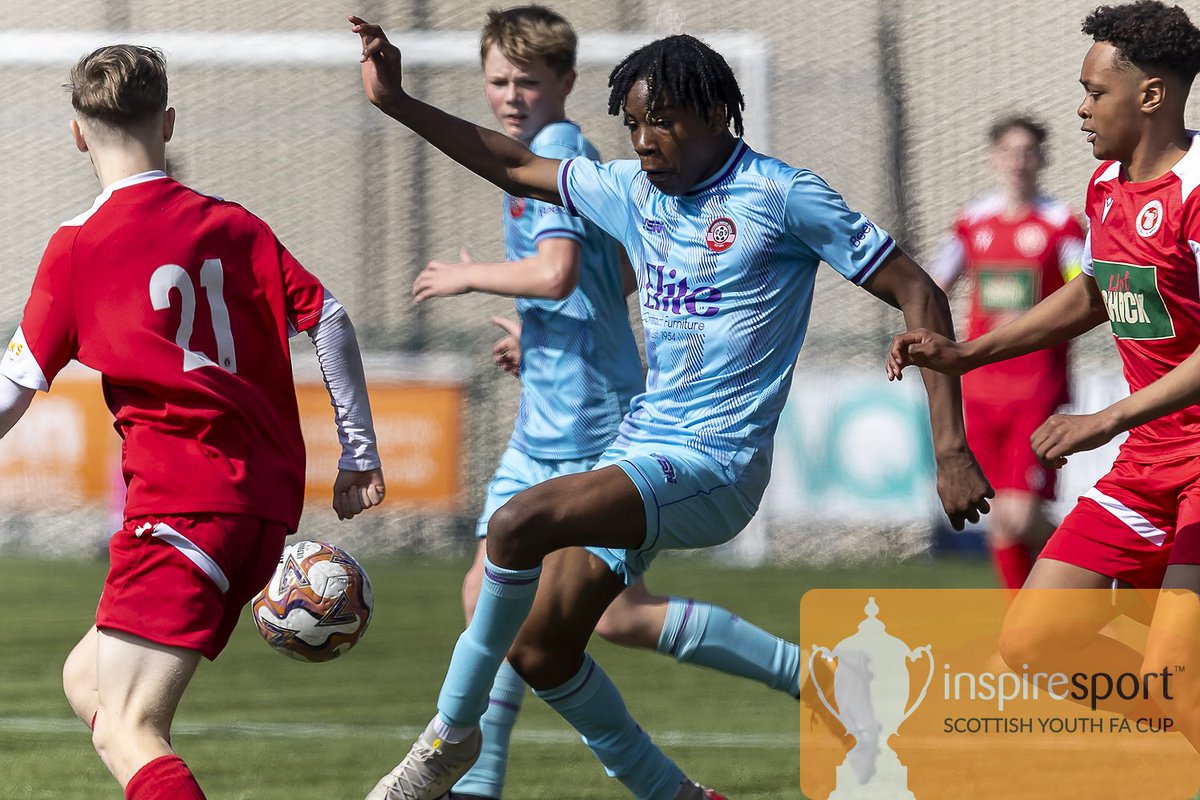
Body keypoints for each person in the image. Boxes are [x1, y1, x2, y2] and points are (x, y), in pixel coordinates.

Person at [351, 15, 991, 800]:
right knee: (541, 652)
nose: (644, 140)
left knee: (517, 525)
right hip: (641, 452)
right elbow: (515, 165)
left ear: (717, 115)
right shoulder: (631, 192)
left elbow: (919, 289)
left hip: (714, 466)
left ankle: (447, 740)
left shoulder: (781, 196)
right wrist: (399, 103)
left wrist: (950, 446)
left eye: (662, 121)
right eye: (631, 125)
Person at [410, 8, 803, 800]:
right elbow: (621, 272)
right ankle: (479, 781)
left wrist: (471, 276)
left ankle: (468, 771)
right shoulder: (607, 171)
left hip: (593, 416)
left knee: (550, 608)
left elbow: (556, 270)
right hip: (551, 412)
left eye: (527, 80)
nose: (511, 95)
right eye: (497, 81)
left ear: (565, 83)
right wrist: (542, 328)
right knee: (542, 612)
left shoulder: (558, 150)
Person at [0, 44, 386, 799]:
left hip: (180, 506)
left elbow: (16, 383)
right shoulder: (235, 226)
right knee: (87, 682)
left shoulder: (78, 244)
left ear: (78, 135)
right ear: (168, 123)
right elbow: (330, 318)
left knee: (129, 726)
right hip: (263, 513)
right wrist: (359, 453)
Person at [889, 0, 1200, 749]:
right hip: (1147, 467)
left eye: (1095, 92)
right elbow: (1093, 293)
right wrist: (965, 353)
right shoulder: (1107, 187)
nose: (1082, 108)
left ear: (1151, 96)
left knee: (1177, 667)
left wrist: (1107, 417)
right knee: (1036, 643)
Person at [927, 115, 1086, 589]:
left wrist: (1034, 317)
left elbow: (1088, 294)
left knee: (1015, 519)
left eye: (1028, 152)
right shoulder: (972, 222)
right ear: (992, 158)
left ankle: (1061, 592)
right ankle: (1042, 617)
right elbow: (932, 287)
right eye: (1009, 152)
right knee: (1003, 521)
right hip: (979, 389)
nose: (1018, 162)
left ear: (1042, 159)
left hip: (1036, 389)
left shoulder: (1061, 226)